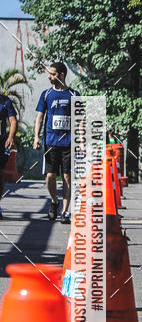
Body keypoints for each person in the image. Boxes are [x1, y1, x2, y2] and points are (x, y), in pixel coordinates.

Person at [33, 62, 79, 224]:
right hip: (51, 142)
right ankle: (54, 201)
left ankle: (65, 212)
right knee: (50, 176)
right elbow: (39, 117)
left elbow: (80, 120)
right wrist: (36, 137)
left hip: (68, 143)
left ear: (61, 75)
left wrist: (80, 140)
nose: (49, 76)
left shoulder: (74, 94)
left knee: (67, 177)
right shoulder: (46, 94)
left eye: (52, 74)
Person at [0, 93, 18, 220]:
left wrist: (10, 137)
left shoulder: (5, 101)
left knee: (0, 174)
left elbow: (13, 121)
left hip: (1, 143)